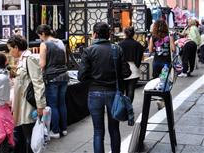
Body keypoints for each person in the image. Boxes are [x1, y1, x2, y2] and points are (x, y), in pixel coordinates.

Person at [79, 22, 131, 153]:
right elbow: (126, 73)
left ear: (95, 34)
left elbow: (81, 76)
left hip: (94, 93)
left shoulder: (89, 50)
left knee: (98, 131)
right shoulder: (116, 49)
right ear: (108, 34)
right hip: (113, 92)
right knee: (114, 129)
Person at [7, 35, 46, 153]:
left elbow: (38, 82)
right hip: (21, 105)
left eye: (10, 49)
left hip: (28, 106)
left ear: (16, 47)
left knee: (30, 138)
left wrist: (40, 105)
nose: (9, 52)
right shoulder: (22, 59)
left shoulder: (30, 58)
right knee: (24, 137)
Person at [37, 24, 68, 138]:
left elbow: (42, 64)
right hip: (64, 76)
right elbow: (65, 59)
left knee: (53, 105)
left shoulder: (44, 44)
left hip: (52, 77)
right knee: (62, 103)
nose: (40, 38)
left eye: (40, 35)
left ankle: (55, 131)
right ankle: (64, 129)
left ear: (43, 34)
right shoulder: (60, 42)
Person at [118, 26, 144, 103]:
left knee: (122, 89)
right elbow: (140, 57)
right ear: (133, 34)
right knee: (131, 89)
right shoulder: (137, 44)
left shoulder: (120, 44)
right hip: (134, 68)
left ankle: (122, 106)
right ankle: (129, 106)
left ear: (125, 33)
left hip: (122, 68)